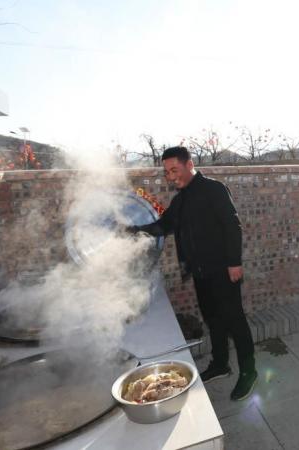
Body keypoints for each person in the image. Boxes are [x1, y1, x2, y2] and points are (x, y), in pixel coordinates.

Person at [129, 146, 257, 401]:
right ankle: (221, 363)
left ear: (190, 164)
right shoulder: (180, 200)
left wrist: (234, 262)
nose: (171, 176)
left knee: (235, 321)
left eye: (174, 170)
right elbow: (162, 226)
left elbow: (232, 226)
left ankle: (249, 372)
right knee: (212, 319)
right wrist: (131, 230)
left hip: (223, 270)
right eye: (166, 172)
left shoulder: (214, 189)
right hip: (200, 273)